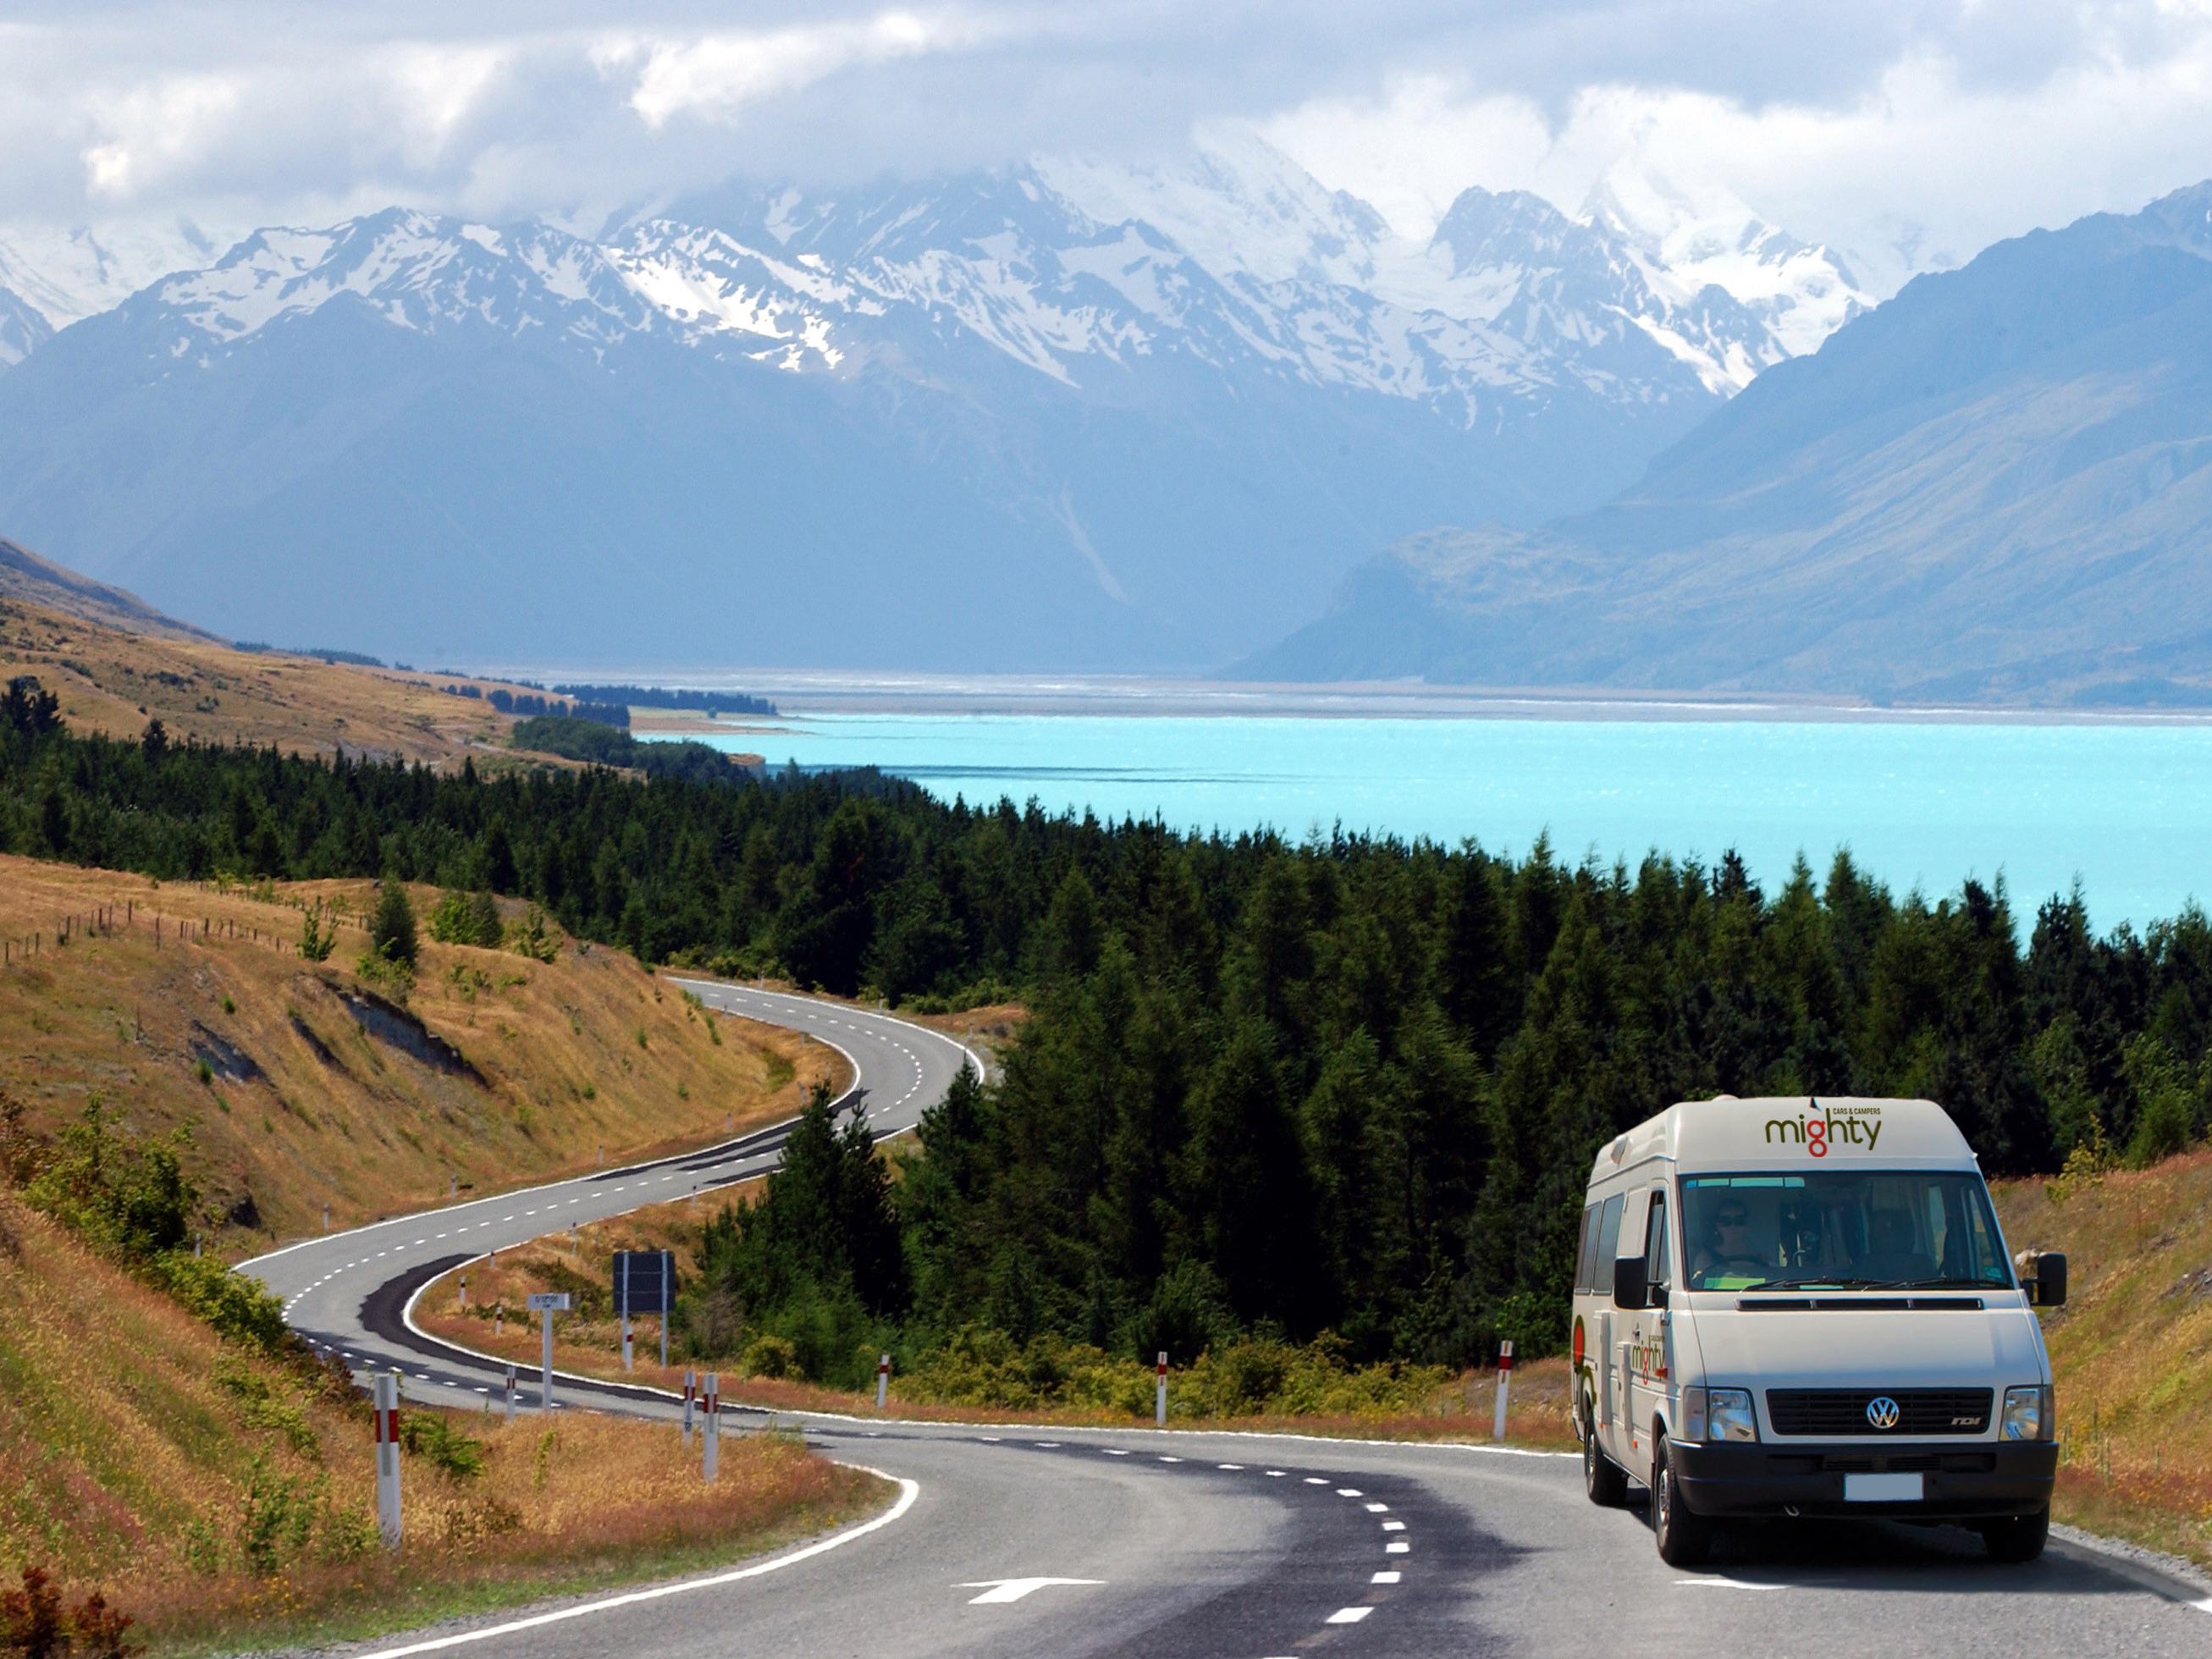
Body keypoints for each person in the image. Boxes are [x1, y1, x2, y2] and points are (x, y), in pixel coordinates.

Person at [1692, 1198, 1770, 1282]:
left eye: (1739, 1221)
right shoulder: (1706, 1258)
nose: (1733, 1226)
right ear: (1717, 1226)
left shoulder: (1761, 1260)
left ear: (1747, 1226)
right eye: (1726, 1221)